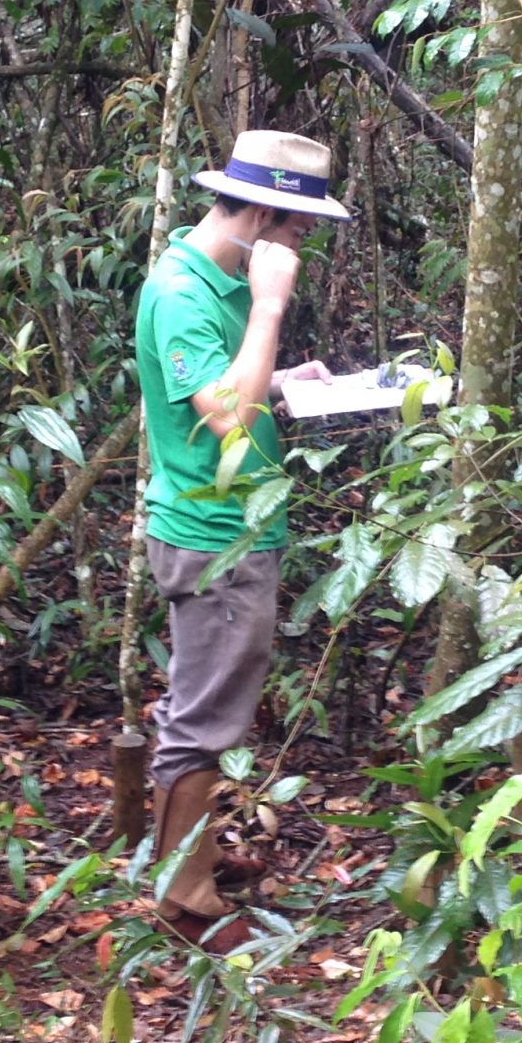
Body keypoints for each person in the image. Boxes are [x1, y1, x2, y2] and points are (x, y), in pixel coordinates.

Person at [132, 129, 350, 950]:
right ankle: (184, 899)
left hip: (235, 532)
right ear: (261, 215)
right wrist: (270, 306)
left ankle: (181, 872)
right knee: (205, 725)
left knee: (203, 711)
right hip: (213, 538)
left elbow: (233, 390)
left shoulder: (214, 279)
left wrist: (287, 382)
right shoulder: (187, 290)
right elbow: (224, 419)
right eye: (298, 231)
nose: (304, 246)